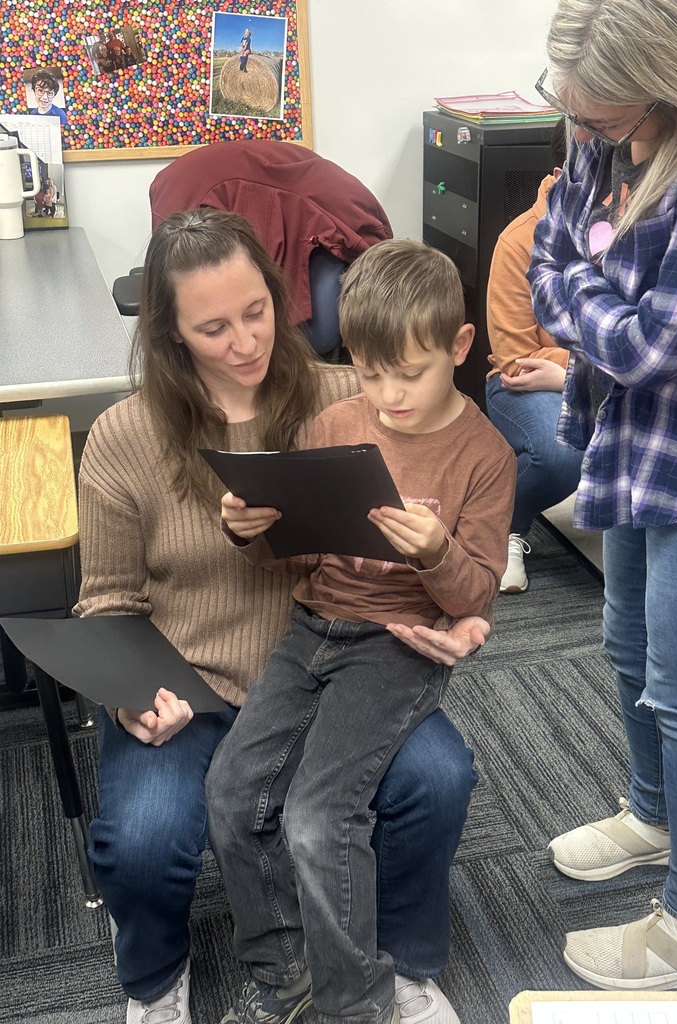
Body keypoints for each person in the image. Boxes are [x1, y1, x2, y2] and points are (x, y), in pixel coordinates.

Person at [74, 209, 488, 1024]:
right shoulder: (125, 437)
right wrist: (130, 695)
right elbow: (108, 601)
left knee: (438, 782)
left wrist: (462, 614)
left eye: (257, 311)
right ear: (169, 334)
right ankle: (156, 981)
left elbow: (452, 524)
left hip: (335, 665)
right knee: (146, 838)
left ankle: (399, 962)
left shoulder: (354, 398)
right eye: (213, 327)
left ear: (278, 293)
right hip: (187, 684)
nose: (244, 342)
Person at [207, 237, 516, 1024]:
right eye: (369, 370)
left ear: (458, 347)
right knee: (233, 791)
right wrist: (255, 529)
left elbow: (477, 590)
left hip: (397, 644)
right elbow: (296, 559)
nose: (387, 394)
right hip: (311, 626)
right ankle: (284, 974)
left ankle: (356, 1006)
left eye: (407, 373)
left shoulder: (483, 455)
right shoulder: (338, 420)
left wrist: (439, 553)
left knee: (318, 816)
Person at [528, 0, 677, 992]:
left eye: (598, 123)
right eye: (570, 115)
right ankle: (654, 816)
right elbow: (548, 255)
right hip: (633, 433)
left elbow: (652, 342)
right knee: (628, 647)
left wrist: (589, 300)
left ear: (666, 92)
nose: (580, 138)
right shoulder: (607, 111)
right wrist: (597, 300)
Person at [485, 118, 582, 593]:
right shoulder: (519, 240)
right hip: (521, 383)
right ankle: (504, 528)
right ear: (565, 171)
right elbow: (515, 361)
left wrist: (570, 371)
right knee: (562, 452)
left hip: (580, 375)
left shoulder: (631, 223)